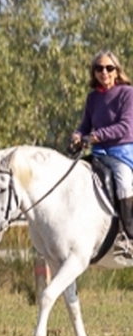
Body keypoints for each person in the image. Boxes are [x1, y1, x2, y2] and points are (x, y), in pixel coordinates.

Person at [73, 51, 133, 248]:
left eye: (109, 68)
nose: (104, 72)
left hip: (121, 152)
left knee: (124, 184)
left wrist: (98, 135)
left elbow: (125, 126)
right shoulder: (93, 98)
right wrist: (77, 135)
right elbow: (85, 125)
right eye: (99, 68)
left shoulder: (127, 93)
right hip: (98, 153)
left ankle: (128, 235)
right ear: (94, 73)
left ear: (117, 71)